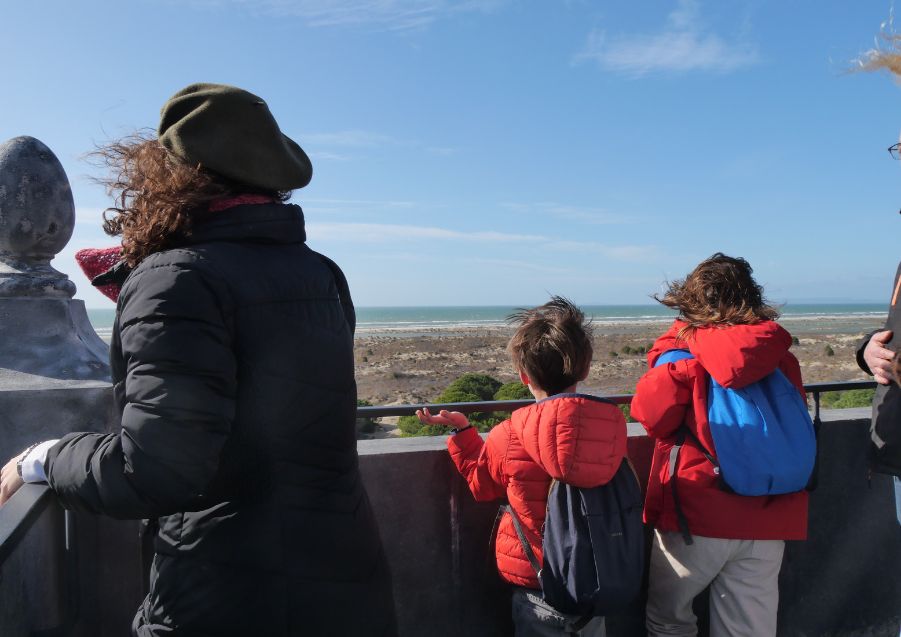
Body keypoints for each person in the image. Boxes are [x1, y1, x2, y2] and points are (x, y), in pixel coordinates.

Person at [0, 83, 397, 636]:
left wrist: (45, 457)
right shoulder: (320, 272)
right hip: (346, 585)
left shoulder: (177, 279)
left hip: (227, 595)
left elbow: (152, 469)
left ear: (170, 175)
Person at [416, 297, 627, 637]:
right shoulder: (611, 426)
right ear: (585, 369)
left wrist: (463, 433)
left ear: (523, 375)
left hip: (537, 580)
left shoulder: (509, 434)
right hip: (595, 576)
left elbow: (482, 486)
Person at [630, 253, 808, 637]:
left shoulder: (681, 357)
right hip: (770, 515)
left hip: (697, 515)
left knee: (669, 621)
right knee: (748, 628)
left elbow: (651, 419)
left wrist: (672, 344)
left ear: (691, 300)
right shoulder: (779, 358)